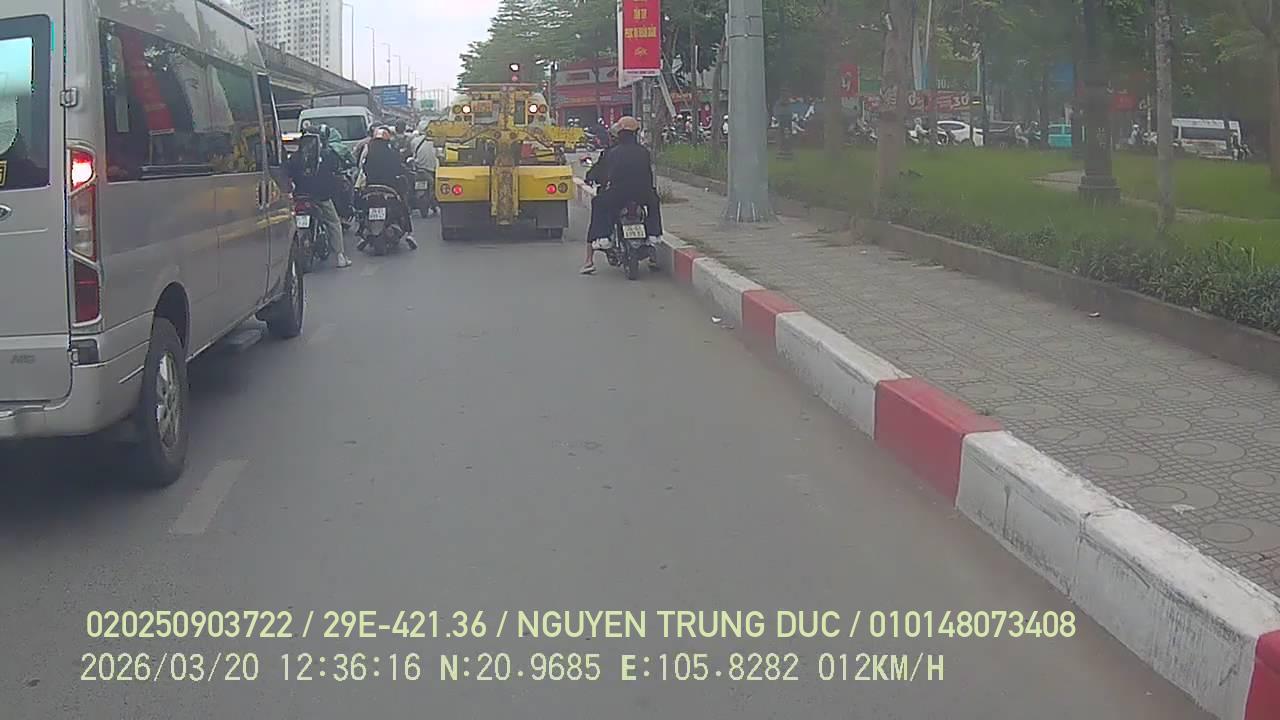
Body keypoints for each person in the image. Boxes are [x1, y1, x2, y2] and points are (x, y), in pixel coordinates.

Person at [581, 116, 663, 275]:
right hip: (642, 194)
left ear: (618, 134)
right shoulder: (644, 152)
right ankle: (654, 234)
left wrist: (591, 179)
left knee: (598, 203)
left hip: (618, 194)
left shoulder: (612, 153)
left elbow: (604, 174)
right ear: (635, 133)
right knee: (654, 201)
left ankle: (603, 238)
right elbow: (649, 174)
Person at [288, 122, 352, 268]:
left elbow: (288, 173)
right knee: (334, 222)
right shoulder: (326, 155)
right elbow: (336, 170)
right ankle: (340, 256)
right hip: (321, 197)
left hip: (300, 196)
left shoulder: (295, 156)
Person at [359, 127, 414, 241]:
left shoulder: (368, 149)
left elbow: (362, 166)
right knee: (403, 203)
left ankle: (361, 229)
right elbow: (398, 167)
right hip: (390, 186)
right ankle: (409, 232)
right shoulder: (391, 151)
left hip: (371, 186)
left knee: (362, 206)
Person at [408, 130, 440, 216]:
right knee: (434, 187)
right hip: (431, 170)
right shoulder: (435, 142)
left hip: (418, 169)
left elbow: (412, 153)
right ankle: (433, 204)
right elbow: (438, 155)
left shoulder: (414, 141)